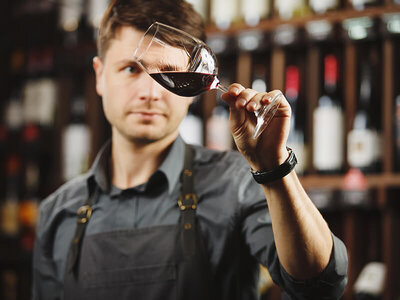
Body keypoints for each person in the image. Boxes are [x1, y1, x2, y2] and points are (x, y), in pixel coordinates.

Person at [32, 0, 348, 299]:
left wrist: (274, 167)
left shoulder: (237, 183)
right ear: (100, 75)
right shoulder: (56, 212)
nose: (150, 92)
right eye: (131, 69)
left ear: (192, 89)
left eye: (169, 73)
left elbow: (319, 287)